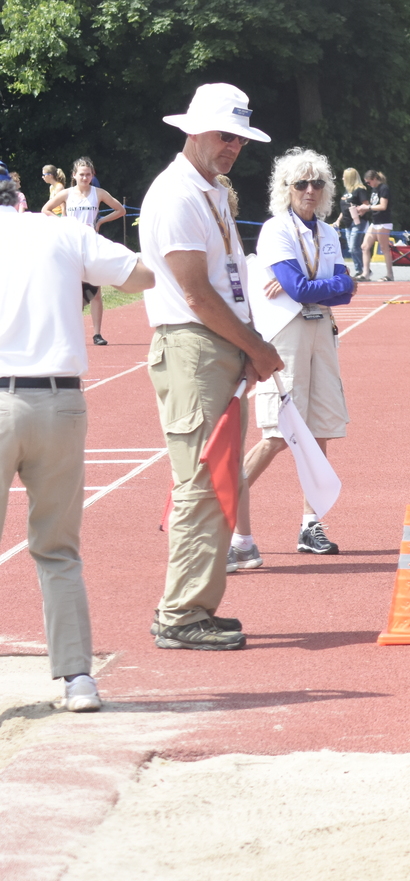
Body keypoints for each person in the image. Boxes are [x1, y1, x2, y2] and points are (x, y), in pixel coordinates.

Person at [138, 82, 284, 651]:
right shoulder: (176, 194)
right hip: (195, 345)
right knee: (201, 481)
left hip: (214, 345)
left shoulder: (211, 192)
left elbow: (223, 283)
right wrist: (255, 346)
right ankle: (180, 613)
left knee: (216, 478)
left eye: (243, 139)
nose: (234, 147)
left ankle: (194, 605)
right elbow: (196, 293)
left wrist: (247, 346)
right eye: (227, 135)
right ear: (194, 130)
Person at [0, 178, 153, 711]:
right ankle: (77, 679)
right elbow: (141, 275)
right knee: (57, 549)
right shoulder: (62, 230)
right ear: (21, 201)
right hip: (59, 399)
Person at [232, 147, 356, 570]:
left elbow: (346, 289)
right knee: (278, 429)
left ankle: (311, 523)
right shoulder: (275, 230)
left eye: (317, 183)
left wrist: (312, 286)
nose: (309, 190)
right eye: (300, 183)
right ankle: (220, 509)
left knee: (320, 426)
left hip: (321, 329)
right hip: (285, 333)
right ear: (285, 189)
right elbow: (303, 287)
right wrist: (322, 284)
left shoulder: (328, 232)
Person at [41, 157, 127, 346]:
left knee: (95, 291)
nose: (85, 178)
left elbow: (120, 210)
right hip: (71, 245)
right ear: (74, 175)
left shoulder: (98, 193)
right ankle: (65, 333)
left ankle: (97, 334)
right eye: (81, 174)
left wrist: (101, 221)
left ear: (92, 175)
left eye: (88, 174)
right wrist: (62, 224)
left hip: (90, 245)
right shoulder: (67, 193)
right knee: (69, 290)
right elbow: (46, 209)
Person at [360, 170, 394, 282]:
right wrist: (363, 209)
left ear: (374, 179)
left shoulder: (383, 188)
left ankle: (389, 274)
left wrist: (367, 208)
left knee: (384, 248)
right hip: (375, 222)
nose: (368, 185)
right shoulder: (374, 190)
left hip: (384, 222)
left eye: (369, 182)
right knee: (364, 246)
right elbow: (373, 205)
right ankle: (365, 273)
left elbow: (383, 206)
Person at [338, 168, 368, 270]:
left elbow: (366, 205)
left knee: (353, 247)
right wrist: (338, 220)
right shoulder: (347, 190)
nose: (342, 178)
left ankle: (363, 269)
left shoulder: (360, 190)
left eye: (344, 176)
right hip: (347, 222)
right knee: (351, 249)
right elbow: (345, 208)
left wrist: (358, 212)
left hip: (357, 222)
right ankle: (359, 269)